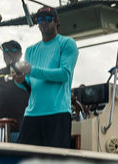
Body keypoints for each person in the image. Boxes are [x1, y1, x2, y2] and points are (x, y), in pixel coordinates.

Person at [14, 6, 79, 148]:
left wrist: (31, 70)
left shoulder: (68, 44)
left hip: (58, 112)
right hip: (32, 114)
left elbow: (64, 74)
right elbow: (29, 84)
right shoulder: (30, 50)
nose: (43, 22)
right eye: (40, 19)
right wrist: (20, 80)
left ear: (56, 21)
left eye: (48, 18)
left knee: (54, 162)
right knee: (23, 158)